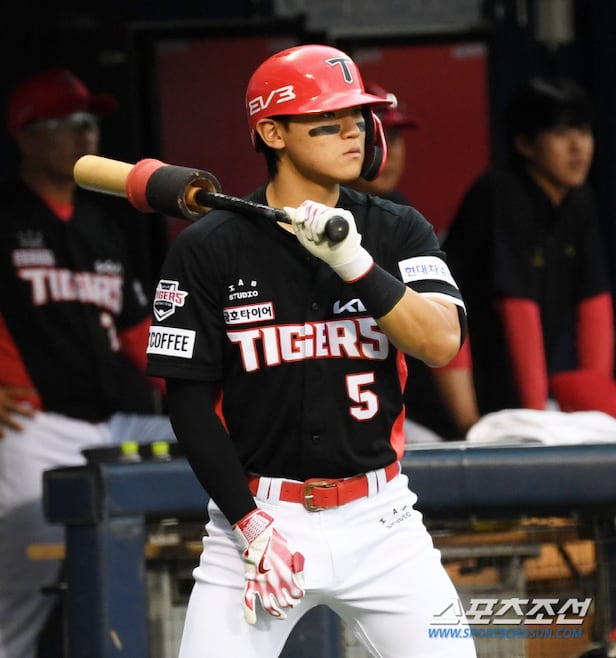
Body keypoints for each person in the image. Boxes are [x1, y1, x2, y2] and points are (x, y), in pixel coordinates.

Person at [146, 44, 476, 658]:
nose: (353, 132)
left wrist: (355, 263)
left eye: (358, 117)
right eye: (328, 120)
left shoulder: (397, 228)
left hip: (381, 519)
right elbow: (187, 405)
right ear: (273, 132)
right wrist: (247, 522)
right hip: (258, 516)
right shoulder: (209, 247)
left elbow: (440, 343)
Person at [0, 68, 175, 658]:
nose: (87, 136)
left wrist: (213, 393)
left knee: (219, 444)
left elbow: (139, 334)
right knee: (23, 588)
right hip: (32, 427)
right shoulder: (4, 217)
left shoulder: (103, 226)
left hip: (114, 427)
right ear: (27, 136)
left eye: (91, 122)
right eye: (70, 123)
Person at [436, 75, 616, 422]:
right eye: (561, 133)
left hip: (510, 396)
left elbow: (595, 301)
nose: (579, 146)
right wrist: (534, 419)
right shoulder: (500, 193)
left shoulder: (579, 200)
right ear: (524, 144)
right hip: (447, 395)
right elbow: (517, 307)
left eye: (584, 132)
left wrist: (599, 414)